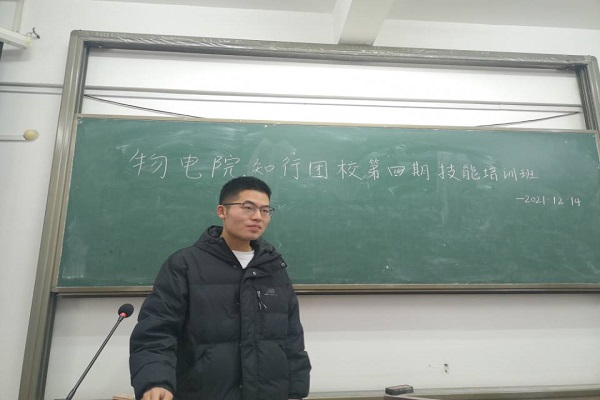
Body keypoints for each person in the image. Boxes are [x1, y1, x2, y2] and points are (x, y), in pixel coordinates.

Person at [129, 176, 311, 400]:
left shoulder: (273, 268)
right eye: (248, 207)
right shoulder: (186, 265)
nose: (258, 217)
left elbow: (292, 338)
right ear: (222, 211)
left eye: (265, 210)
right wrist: (155, 381)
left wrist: (296, 391)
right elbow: (156, 332)